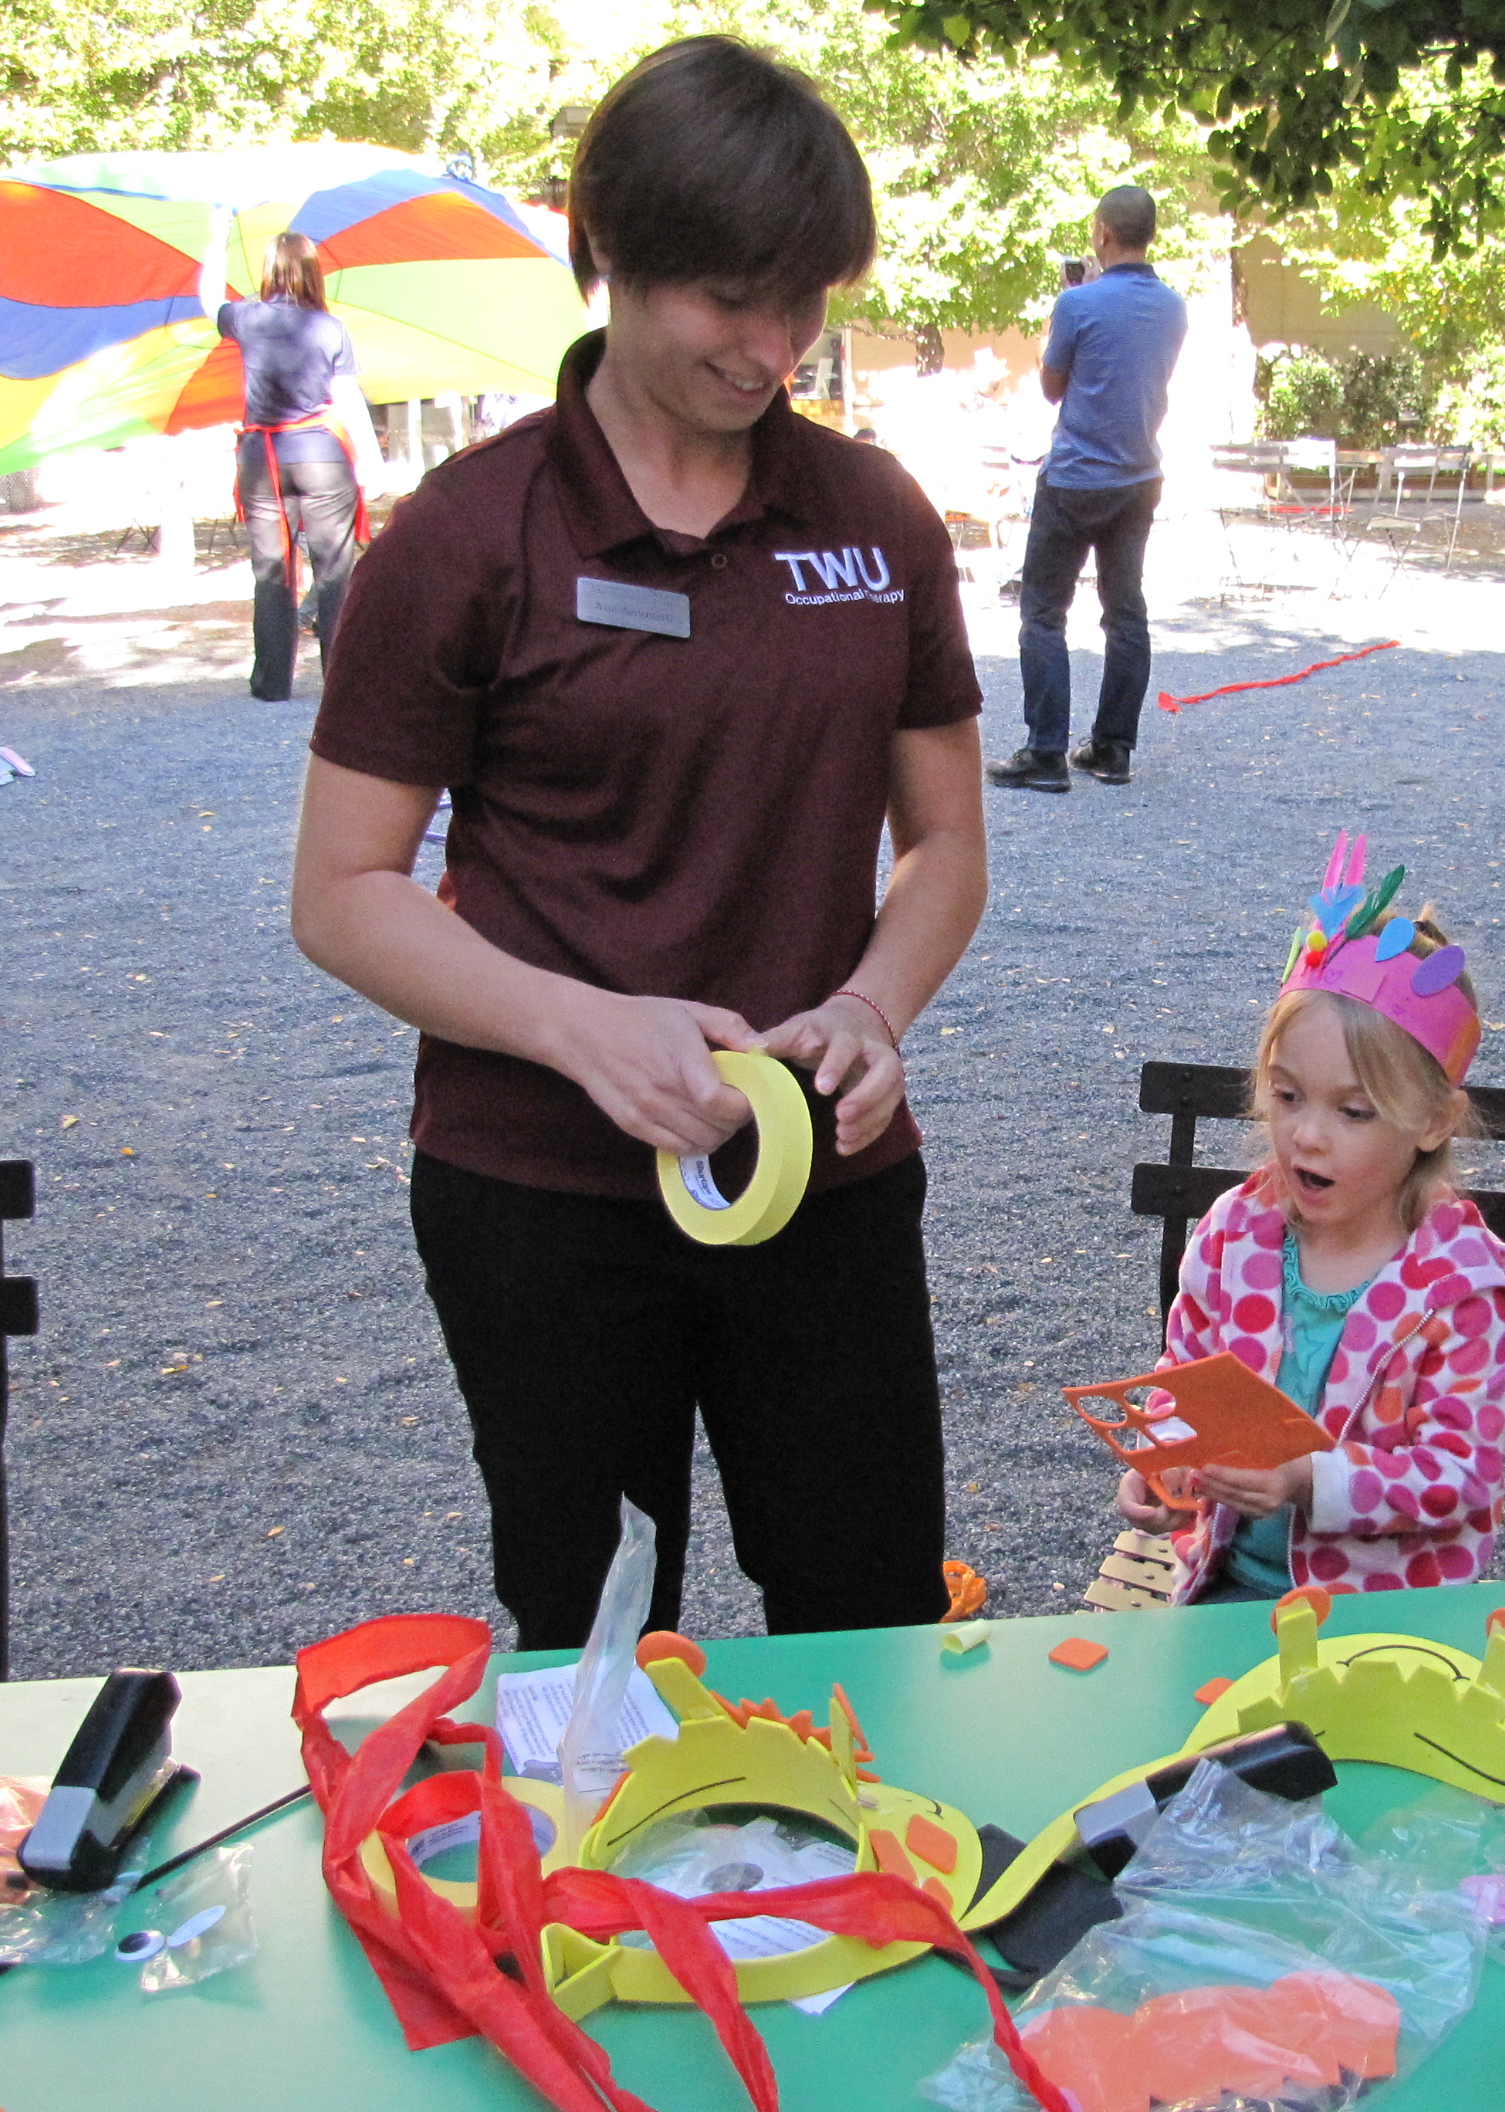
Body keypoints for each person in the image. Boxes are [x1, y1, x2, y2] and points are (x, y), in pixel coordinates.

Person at [290, 36, 987, 1646]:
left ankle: (866, 1904)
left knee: (868, 1612)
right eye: (730, 301)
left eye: (806, 300)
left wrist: (875, 1009)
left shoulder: (873, 520)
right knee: (591, 1630)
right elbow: (339, 894)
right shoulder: (466, 539)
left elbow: (945, 844)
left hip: (821, 1175)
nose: (774, 348)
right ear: (604, 250)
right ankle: (601, 1909)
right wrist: (587, 1034)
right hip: (539, 1192)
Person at [1114, 837, 1505, 1600]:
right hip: (1221, 1584)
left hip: (1383, 1616)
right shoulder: (1233, 1235)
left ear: (1434, 1122)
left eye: (1352, 1110)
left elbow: (1460, 1475)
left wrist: (1311, 1479)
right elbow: (1182, 1380)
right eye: (1287, 1096)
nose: (1307, 1134)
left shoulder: (1462, 1290)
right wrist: (1163, 1462)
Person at [986, 185, 1187, 794]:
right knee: (1125, 613)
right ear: (1149, 233)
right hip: (1138, 478)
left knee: (1043, 613)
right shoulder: (1175, 307)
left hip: (1074, 478)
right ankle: (1113, 749)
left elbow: (1052, 387)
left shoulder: (1077, 305)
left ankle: (1045, 754)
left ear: (1102, 232)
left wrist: (1064, 316)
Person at [216, 232, 383, 702]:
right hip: (322, 456)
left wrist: (215, 242)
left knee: (272, 571)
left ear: (267, 271)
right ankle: (342, 685)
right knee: (334, 572)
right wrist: (370, 463)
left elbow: (206, 301)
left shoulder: (244, 317)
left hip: (262, 460)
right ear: (313, 272)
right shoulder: (329, 327)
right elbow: (347, 398)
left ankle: (271, 683)